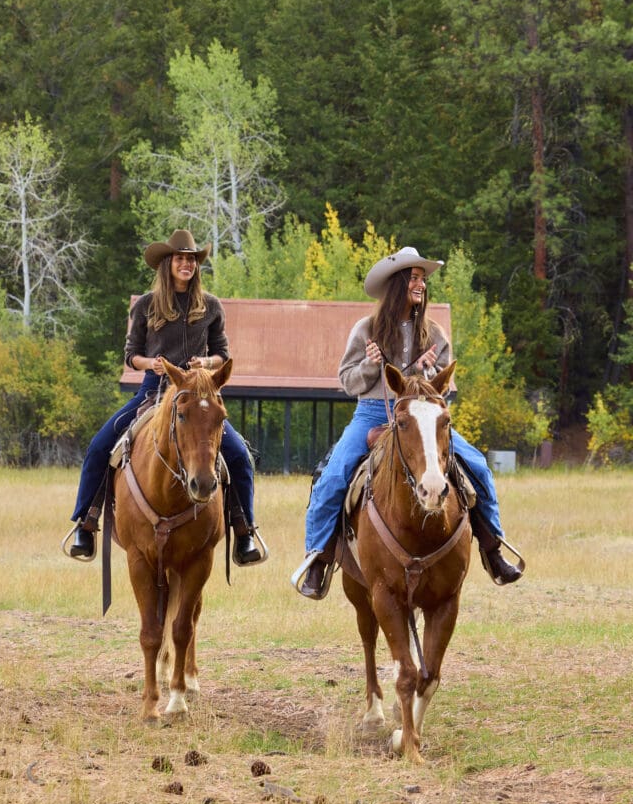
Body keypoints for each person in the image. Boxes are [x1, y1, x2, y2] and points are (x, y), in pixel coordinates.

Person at [296, 246, 523, 599]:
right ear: (398, 283)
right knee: (335, 474)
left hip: (424, 418)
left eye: (423, 279)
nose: (420, 284)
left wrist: (427, 374)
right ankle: (318, 559)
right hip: (371, 413)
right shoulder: (366, 329)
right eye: (414, 278)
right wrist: (371, 365)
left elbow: (446, 391)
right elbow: (347, 382)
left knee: (477, 465)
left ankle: (493, 549)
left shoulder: (434, 333)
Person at [65, 228, 265, 566]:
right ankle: (86, 523)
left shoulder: (211, 306)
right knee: (101, 446)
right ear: (168, 263)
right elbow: (131, 356)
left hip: (196, 393)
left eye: (191, 259)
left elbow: (222, 354)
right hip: (154, 391)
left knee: (239, 455)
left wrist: (207, 362)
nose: (186, 264)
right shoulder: (146, 305)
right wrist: (152, 363)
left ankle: (244, 530)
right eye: (180, 259)